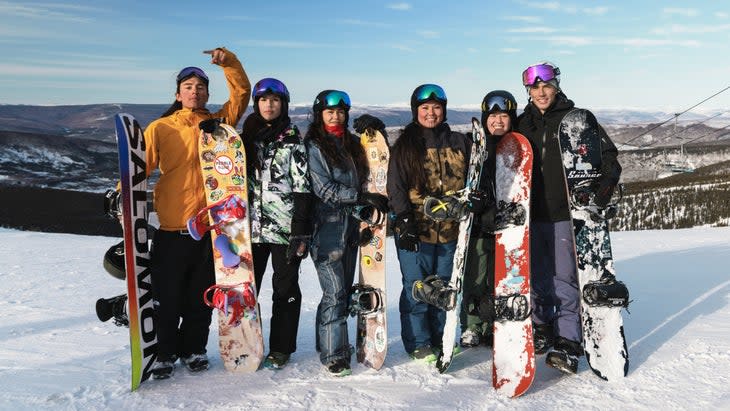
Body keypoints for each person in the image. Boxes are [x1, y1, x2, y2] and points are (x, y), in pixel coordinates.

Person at [143, 47, 251, 379]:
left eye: (200, 86)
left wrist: (229, 63)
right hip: (171, 230)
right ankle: (165, 353)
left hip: (209, 232)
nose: (195, 91)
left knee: (199, 298)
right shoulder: (160, 128)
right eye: (188, 86)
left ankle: (193, 349)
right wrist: (120, 196)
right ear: (178, 94)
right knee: (167, 297)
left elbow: (242, 94)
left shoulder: (218, 125)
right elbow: (139, 168)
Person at [515, 61, 621, 374]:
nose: (541, 92)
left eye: (546, 85)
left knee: (563, 280)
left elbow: (610, 159)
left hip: (564, 214)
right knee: (535, 278)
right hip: (530, 215)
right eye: (535, 87)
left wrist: (599, 194)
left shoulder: (576, 121)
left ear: (556, 86)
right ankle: (541, 326)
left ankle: (569, 340)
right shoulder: (523, 125)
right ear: (529, 91)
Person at [305, 89, 389, 376]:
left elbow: (375, 168)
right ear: (320, 115)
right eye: (330, 112)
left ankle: (326, 341)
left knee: (339, 292)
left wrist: (377, 132)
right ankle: (334, 355)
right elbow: (324, 189)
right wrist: (360, 197)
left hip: (352, 229)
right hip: (326, 230)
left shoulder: (352, 145)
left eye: (341, 111)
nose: (336, 116)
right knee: (336, 293)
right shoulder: (315, 146)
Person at [387, 84, 471, 361]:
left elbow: (475, 178)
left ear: (444, 110)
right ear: (416, 111)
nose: (431, 113)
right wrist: (404, 219)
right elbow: (396, 186)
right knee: (418, 285)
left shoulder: (459, 142)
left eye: (436, 107)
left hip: (451, 229)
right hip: (416, 229)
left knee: (445, 286)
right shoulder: (406, 145)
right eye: (425, 108)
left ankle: (442, 336)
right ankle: (419, 342)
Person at [239, 78, 312, 370]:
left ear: (283, 105)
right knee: (246, 290)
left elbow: (303, 188)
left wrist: (300, 231)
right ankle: (245, 342)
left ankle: (281, 348)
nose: (269, 105)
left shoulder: (293, 142)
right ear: (256, 104)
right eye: (264, 100)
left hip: (284, 231)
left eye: (275, 100)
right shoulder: (244, 140)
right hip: (248, 230)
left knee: (285, 289)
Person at [459, 90, 518, 348]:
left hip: (510, 226)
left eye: (504, 116)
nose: (498, 121)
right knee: (476, 276)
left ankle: (496, 324)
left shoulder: (520, 147)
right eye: (493, 116)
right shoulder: (472, 145)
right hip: (479, 225)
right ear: (485, 118)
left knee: (502, 277)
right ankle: (472, 326)